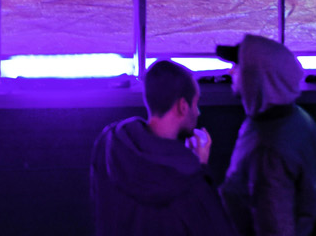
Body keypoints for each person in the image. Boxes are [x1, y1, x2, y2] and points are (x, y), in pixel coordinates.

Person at [90, 58, 235, 236]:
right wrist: (201, 167)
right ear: (183, 106)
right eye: (196, 104)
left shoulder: (108, 146)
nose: (198, 112)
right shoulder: (191, 180)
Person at [217, 35, 316, 236]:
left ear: (256, 77)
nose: (231, 71)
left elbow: (275, 228)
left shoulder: (268, 152)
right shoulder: (293, 118)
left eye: (238, 66)